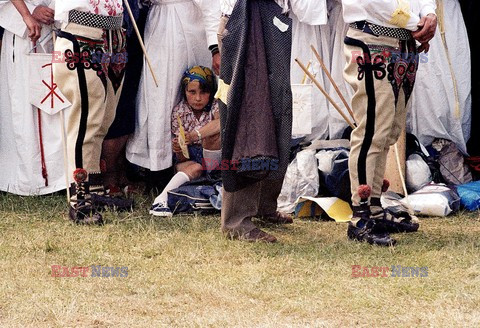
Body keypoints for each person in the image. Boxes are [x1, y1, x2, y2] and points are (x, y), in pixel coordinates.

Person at [218, 0, 324, 243]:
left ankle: (264, 205)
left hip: (271, 21)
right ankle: (236, 221)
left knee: (277, 113)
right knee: (248, 120)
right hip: (243, 23)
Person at [342, 0, 437, 246]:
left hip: (403, 43)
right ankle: (360, 215)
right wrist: (417, 21)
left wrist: (429, 12)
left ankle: (374, 207)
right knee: (372, 129)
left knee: (388, 131)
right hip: (372, 39)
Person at [126, 0, 221, 193]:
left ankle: (199, 165)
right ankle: (158, 168)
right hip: (158, 25)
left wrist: (214, 45)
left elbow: (210, 5)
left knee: (194, 93)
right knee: (157, 97)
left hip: (188, 28)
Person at [53, 0, 127, 224]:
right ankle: (80, 196)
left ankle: (94, 186)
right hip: (82, 34)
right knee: (86, 120)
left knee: (105, 117)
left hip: (114, 36)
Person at [0, 0, 68, 196]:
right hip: (24, 33)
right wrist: (28, 13)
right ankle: (27, 180)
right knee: (24, 105)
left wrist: (59, 10)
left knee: (57, 102)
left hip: (56, 32)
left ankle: (57, 178)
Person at [150, 66, 221, 217]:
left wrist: (195, 135)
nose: (198, 98)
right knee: (195, 168)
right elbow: (183, 158)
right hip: (191, 160)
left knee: (213, 136)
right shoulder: (179, 112)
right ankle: (162, 198)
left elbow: (220, 124)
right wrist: (179, 148)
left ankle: (213, 180)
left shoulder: (215, 106)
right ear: (185, 91)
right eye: (192, 92)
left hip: (212, 160)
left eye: (204, 92)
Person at [101, 0, 150, 196]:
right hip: (110, 34)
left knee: (131, 103)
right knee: (115, 105)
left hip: (136, 30)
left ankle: (122, 170)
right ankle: (108, 175)